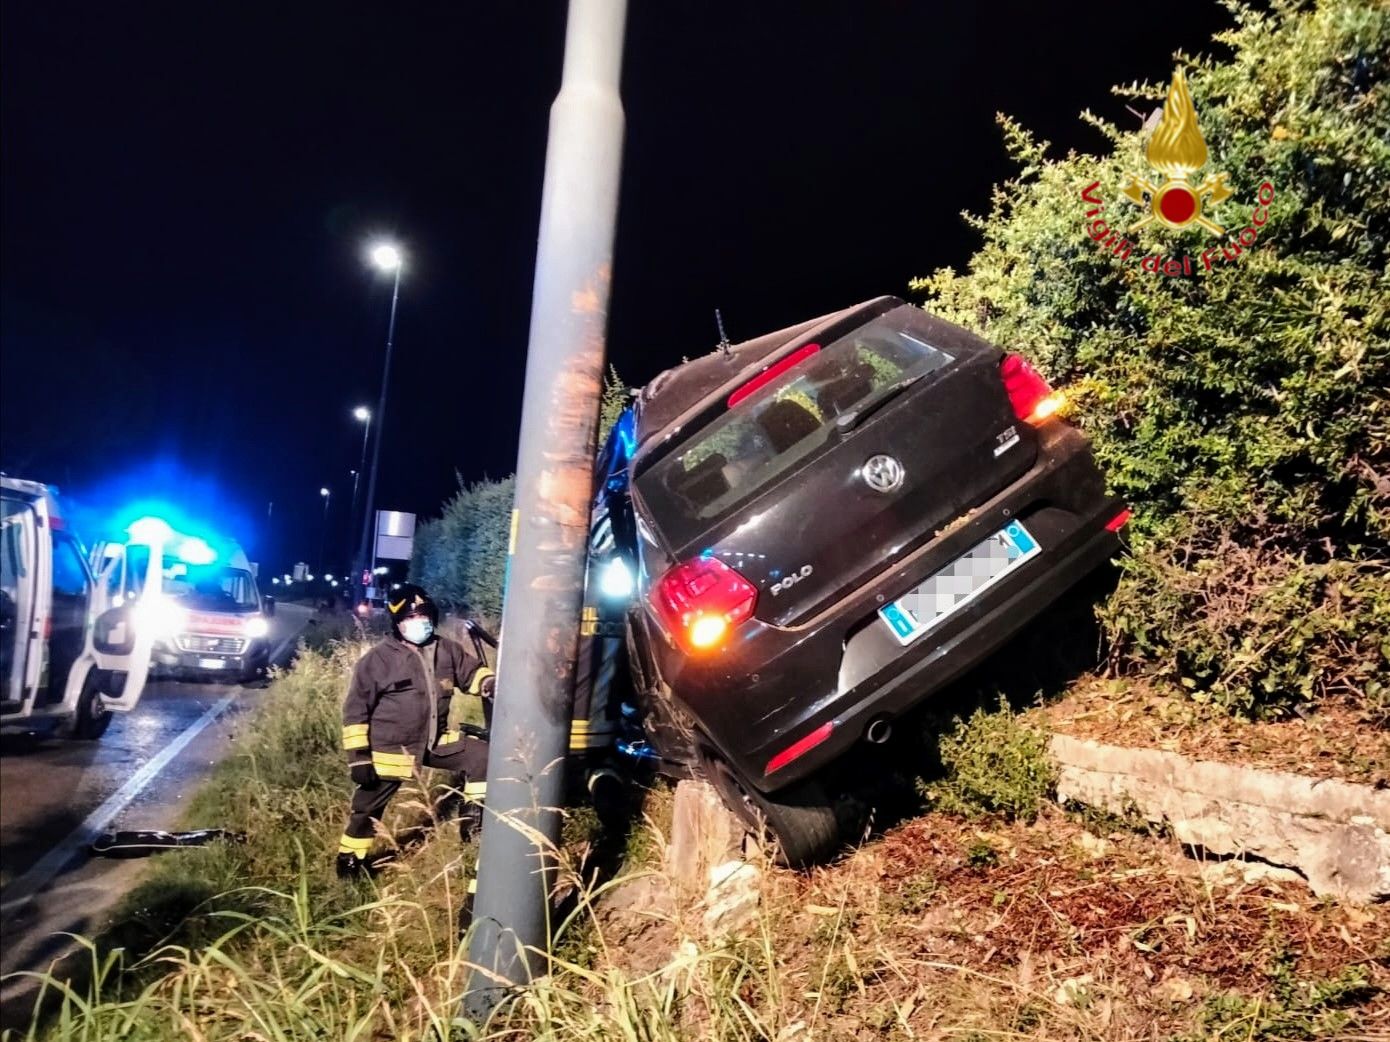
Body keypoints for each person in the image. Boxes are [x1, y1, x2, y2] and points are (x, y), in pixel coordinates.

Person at [337, 584, 494, 881]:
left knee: (482, 758)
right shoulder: (377, 661)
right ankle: (349, 865)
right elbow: (355, 712)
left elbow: (472, 674)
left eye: (423, 616)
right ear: (397, 624)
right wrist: (359, 759)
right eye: (410, 618)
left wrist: (488, 683)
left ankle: (473, 829)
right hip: (389, 752)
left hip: (435, 742)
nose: (418, 623)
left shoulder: (446, 650)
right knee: (366, 811)